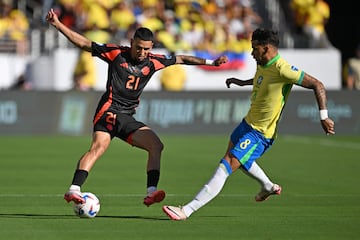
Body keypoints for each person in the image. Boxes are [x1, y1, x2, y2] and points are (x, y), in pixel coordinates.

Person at [46, 9, 228, 207]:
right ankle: (74, 189)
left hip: (126, 116)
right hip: (108, 110)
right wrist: (58, 25)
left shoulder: (154, 61)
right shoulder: (116, 53)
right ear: (132, 42)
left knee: (155, 146)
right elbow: (84, 43)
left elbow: (182, 59)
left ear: (152, 47)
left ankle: (149, 192)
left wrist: (212, 62)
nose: (142, 53)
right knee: (98, 148)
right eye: (139, 48)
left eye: (147, 49)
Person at [163, 28, 335, 220]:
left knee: (227, 164)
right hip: (247, 124)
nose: (252, 53)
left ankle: (187, 210)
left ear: (267, 48)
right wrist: (241, 82)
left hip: (260, 134)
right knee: (241, 160)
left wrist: (323, 117)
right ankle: (268, 186)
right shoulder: (263, 63)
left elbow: (317, 85)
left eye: (255, 49)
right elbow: (261, 80)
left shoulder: (283, 69)